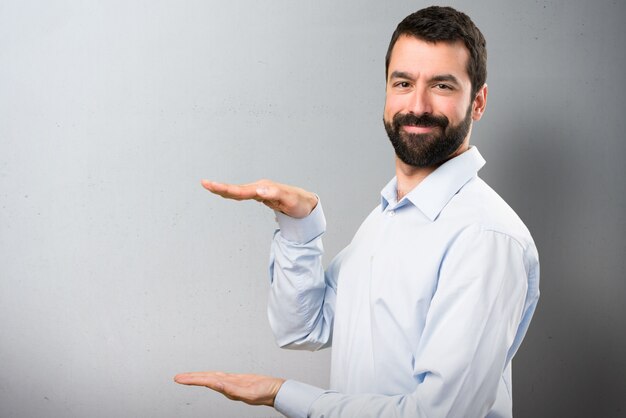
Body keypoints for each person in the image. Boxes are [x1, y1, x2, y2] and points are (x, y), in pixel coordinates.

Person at [175, 6, 540, 418]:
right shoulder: (385, 221)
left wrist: (284, 393)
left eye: (441, 85)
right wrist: (301, 225)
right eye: (403, 82)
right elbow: (304, 326)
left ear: (478, 102)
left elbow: (439, 414)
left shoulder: (485, 236)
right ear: (386, 92)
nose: (417, 105)